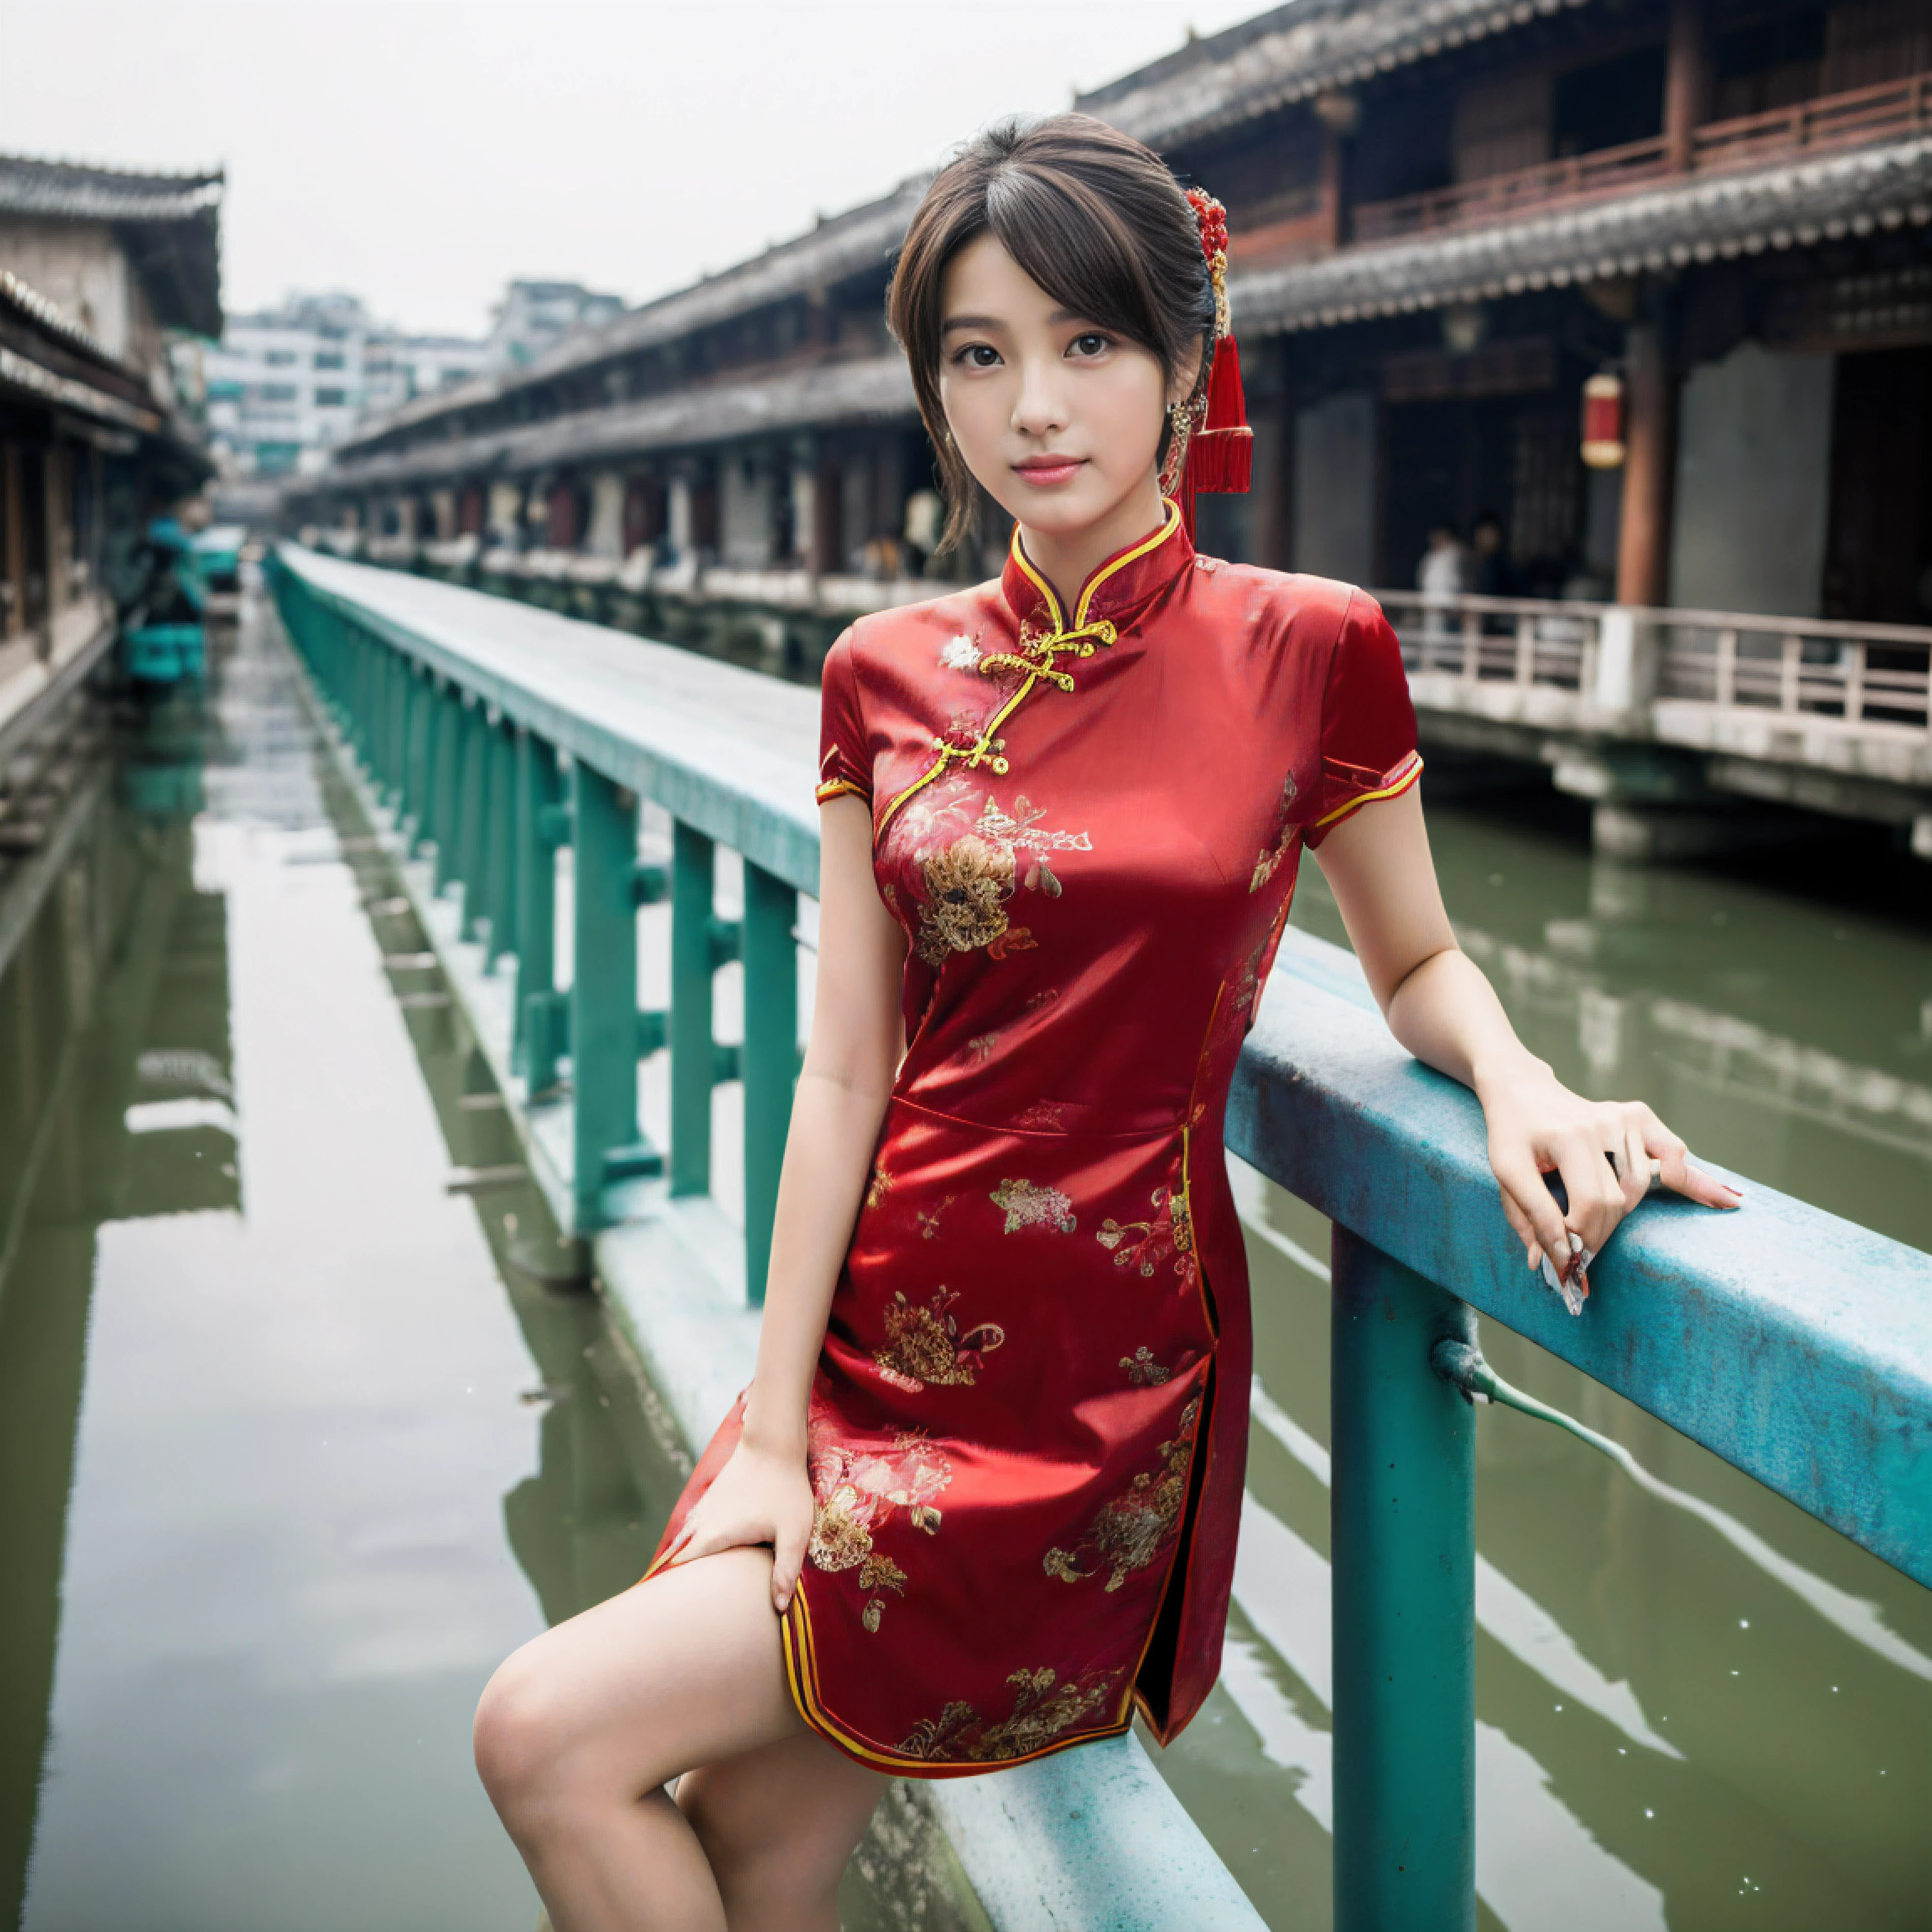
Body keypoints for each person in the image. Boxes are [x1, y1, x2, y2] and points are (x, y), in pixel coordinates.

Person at [471, 115, 1737, 1932]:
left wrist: (1521, 1078)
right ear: (936, 391)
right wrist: (767, 1433)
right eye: (979, 356)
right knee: (755, 1848)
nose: (1035, 406)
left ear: (1182, 364)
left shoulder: (1313, 649)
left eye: (1088, 345)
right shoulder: (878, 673)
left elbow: (1412, 963)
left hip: (1088, 1384)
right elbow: (845, 1069)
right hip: (858, 1355)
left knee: (544, 1733)